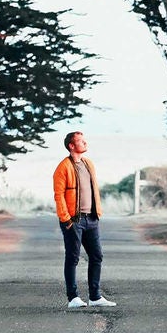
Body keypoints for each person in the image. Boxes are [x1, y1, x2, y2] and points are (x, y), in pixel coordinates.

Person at [52, 131, 114, 309]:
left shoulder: (88, 164)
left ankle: (95, 297)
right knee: (72, 258)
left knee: (97, 256)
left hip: (92, 218)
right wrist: (67, 220)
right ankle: (73, 298)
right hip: (74, 220)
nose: (85, 143)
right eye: (80, 141)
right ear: (72, 146)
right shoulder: (63, 167)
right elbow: (59, 196)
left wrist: (98, 212)